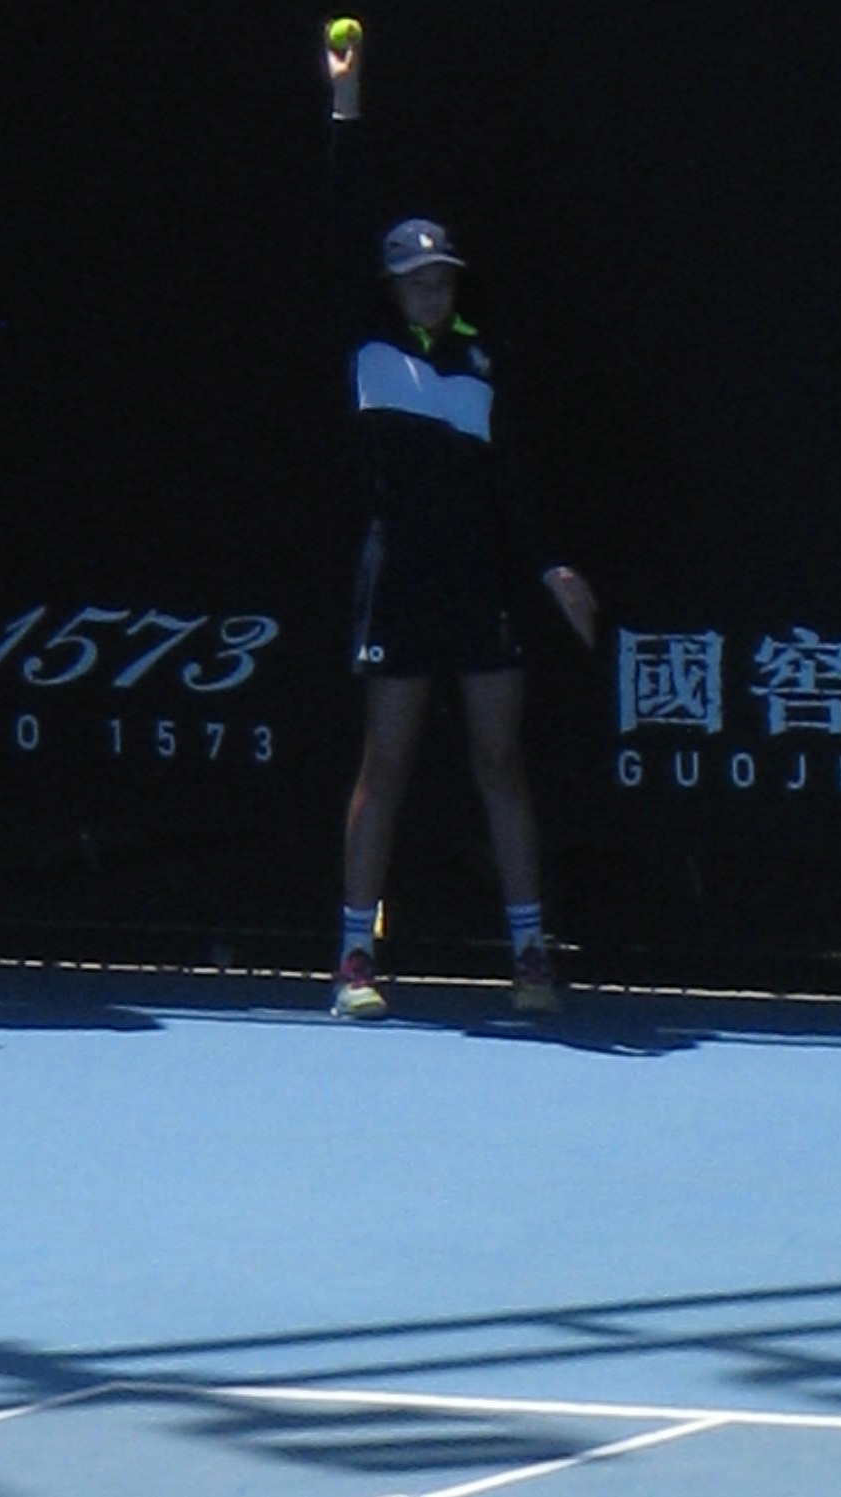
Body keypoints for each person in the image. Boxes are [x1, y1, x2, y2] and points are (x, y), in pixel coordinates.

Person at [322, 25, 599, 1020]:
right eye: (416, 277)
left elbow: (515, 480)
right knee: (385, 765)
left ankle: (530, 956)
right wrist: (346, 103)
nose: (432, 288)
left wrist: (553, 566)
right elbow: (344, 209)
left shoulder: (487, 358)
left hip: (480, 582)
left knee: (499, 763)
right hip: (398, 580)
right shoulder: (364, 341)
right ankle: (355, 959)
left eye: (442, 276)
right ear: (390, 285)